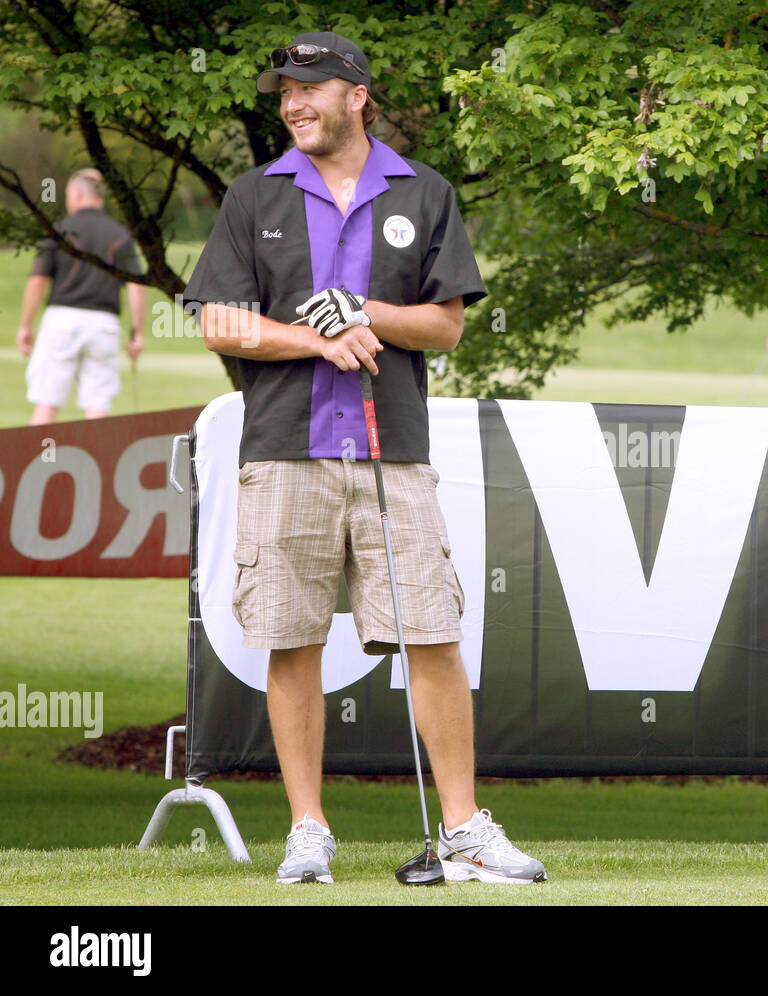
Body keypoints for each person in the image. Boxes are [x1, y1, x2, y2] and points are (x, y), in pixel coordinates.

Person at [183, 31, 545, 885]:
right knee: (289, 639)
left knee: (433, 635)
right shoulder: (254, 196)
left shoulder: (422, 192)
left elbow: (447, 324)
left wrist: (367, 312)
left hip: (394, 454)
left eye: (309, 88)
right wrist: (319, 336)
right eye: (284, 92)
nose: (293, 103)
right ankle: (308, 828)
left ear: (357, 95)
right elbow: (220, 323)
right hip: (284, 452)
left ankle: (463, 829)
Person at [17, 168, 147, 424]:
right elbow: (136, 286)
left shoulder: (58, 230)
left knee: (47, 403)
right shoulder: (120, 235)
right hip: (104, 326)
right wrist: (136, 332)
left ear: (76, 193)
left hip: (60, 322)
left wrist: (25, 326)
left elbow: (37, 281)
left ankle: (36, 460)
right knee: (97, 408)